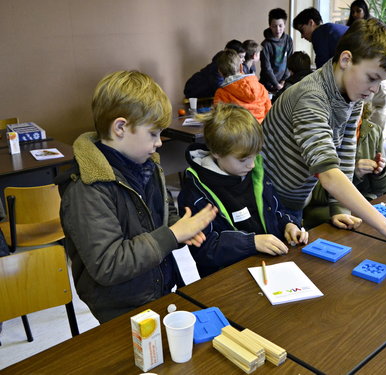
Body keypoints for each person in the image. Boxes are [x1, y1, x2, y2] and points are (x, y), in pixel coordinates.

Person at [58, 71, 217, 323]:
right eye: (153, 134)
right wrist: (173, 234)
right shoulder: (87, 189)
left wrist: (181, 228)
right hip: (121, 311)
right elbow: (108, 264)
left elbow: (163, 214)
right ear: (120, 127)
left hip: (159, 293)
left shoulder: (147, 166)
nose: (159, 143)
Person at [261, 19, 386, 247]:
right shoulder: (311, 97)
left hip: (295, 200)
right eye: (372, 78)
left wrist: (339, 207)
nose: (374, 90)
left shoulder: (352, 96)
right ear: (346, 60)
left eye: (380, 82)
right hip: (267, 200)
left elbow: (345, 155)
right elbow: (328, 172)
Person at [177, 103, 308, 277]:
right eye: (244, 159)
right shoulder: (196, 193)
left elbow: (275, 210)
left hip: (269, 269)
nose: (252, 164)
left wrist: (288, 224)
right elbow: (205, 250)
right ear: (216, 152)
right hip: (227, 279)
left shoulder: (254, 173)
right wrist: (251, 242)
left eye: (255, 155)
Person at [303, 103, 386, 229]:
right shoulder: (322, 133)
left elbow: (381, 189)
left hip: (365, 200)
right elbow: (315, 195)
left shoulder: (373, 130)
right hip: (328, 206)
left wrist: (380, 172)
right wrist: (354, 174)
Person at [214, 49, 271, 123]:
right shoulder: (260, 87)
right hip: (260, 130)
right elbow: (269, 112)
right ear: (241, 67)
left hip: (238, 132)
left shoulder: (221, 93)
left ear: (220, 72)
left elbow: (220, 118)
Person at [259, 8, 293, 93]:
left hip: (283, 83)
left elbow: (290, 60)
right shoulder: (265, 44)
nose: (278, 29)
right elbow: (266, 67)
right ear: (270, 26)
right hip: (267, 84)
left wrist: (283, 81)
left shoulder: (288, 40)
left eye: (280, 26)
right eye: (274, 26)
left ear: (285, 25)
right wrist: (276, 84)